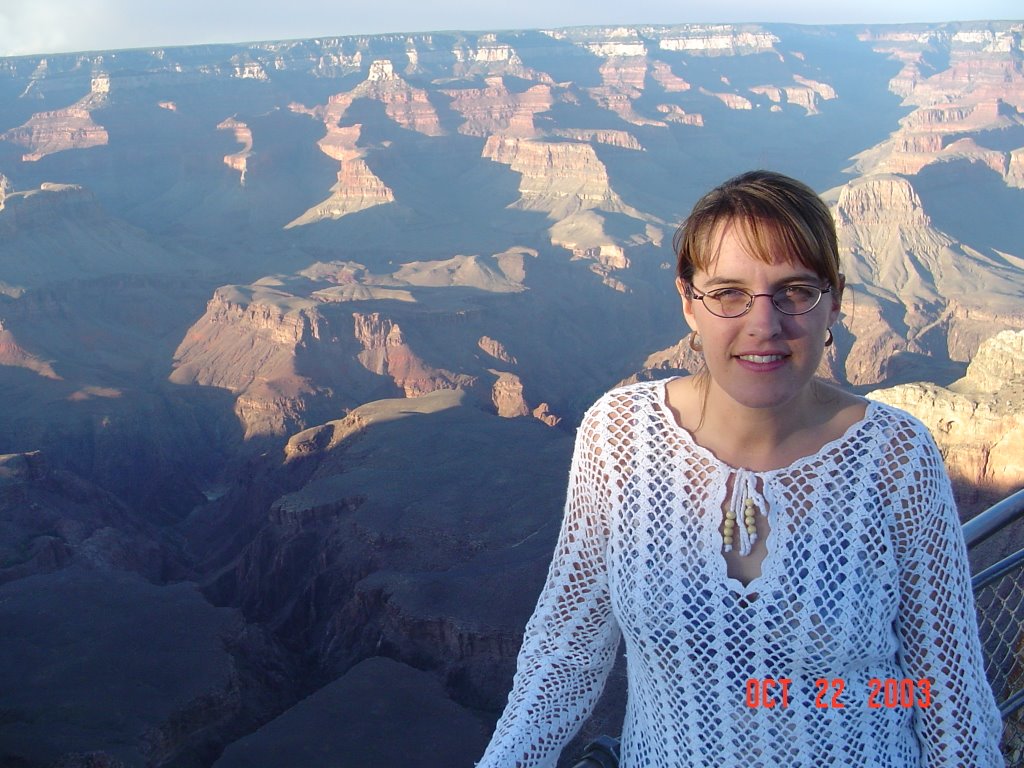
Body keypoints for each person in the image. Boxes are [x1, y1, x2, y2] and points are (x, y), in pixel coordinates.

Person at [476, 170, 1004, 767]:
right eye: (729, 292)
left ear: (833, 300)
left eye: (795, 291)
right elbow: (564, 653)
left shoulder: (894, 456)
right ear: (688, 302)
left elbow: (945, 689)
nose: (764, 323)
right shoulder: (618, 438)